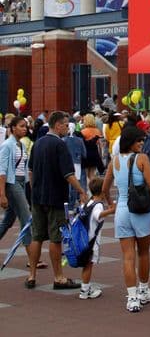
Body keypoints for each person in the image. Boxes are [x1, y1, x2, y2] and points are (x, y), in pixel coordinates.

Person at [102, 125, 150, 312]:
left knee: (127, 257)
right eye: (139, 141)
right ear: (130, 141)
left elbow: (105, 188)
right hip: (141, 211)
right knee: (143, 253)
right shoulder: (142, 159)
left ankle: (132, 297)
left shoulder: (115, 161)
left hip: (122, 210)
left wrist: (111, 203)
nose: (142, 144)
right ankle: (143, 290)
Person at [27, 111, 87, 289]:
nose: (67, 128)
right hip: (55, 197)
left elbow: (31, 171)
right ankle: (58, 277)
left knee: (36, 236)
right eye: (65, 124)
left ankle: (32, 276)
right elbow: (68, 174)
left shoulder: (37, 143)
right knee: (56, 238)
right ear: (57, 125)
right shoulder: (60, 145)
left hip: (38, 197)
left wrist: (34, 189)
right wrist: (81, 191)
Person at [0, 116, 38, 272]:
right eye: (22, 126)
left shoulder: (20, 144)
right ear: (13, 128)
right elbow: (2, 171)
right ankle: (32, 262)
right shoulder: (7, 145)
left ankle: (32, 260)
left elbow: (25, 167)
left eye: (26, 126)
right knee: (26, 219)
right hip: (12, 183)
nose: (25, 128)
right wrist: (2, 194)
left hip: (21, 183)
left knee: (8, 221)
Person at [79, 177, 116, 300]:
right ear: (102, 192)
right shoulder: (98, 205)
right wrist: (111, 211)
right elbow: (97, 215)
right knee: (89, 265)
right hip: (91, 241)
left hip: (84, 238)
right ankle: (85, 290)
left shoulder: (89, 202)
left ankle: (85, 287)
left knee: (86, 264)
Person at [80, 113, 105, 181]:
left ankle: (87, 189)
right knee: (92, 174)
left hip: (86, 153)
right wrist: (100, 155)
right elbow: (100, 144)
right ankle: (93, 188)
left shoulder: (83, 132)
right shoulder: (97, 131)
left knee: (85, 173)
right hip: (95, 153)